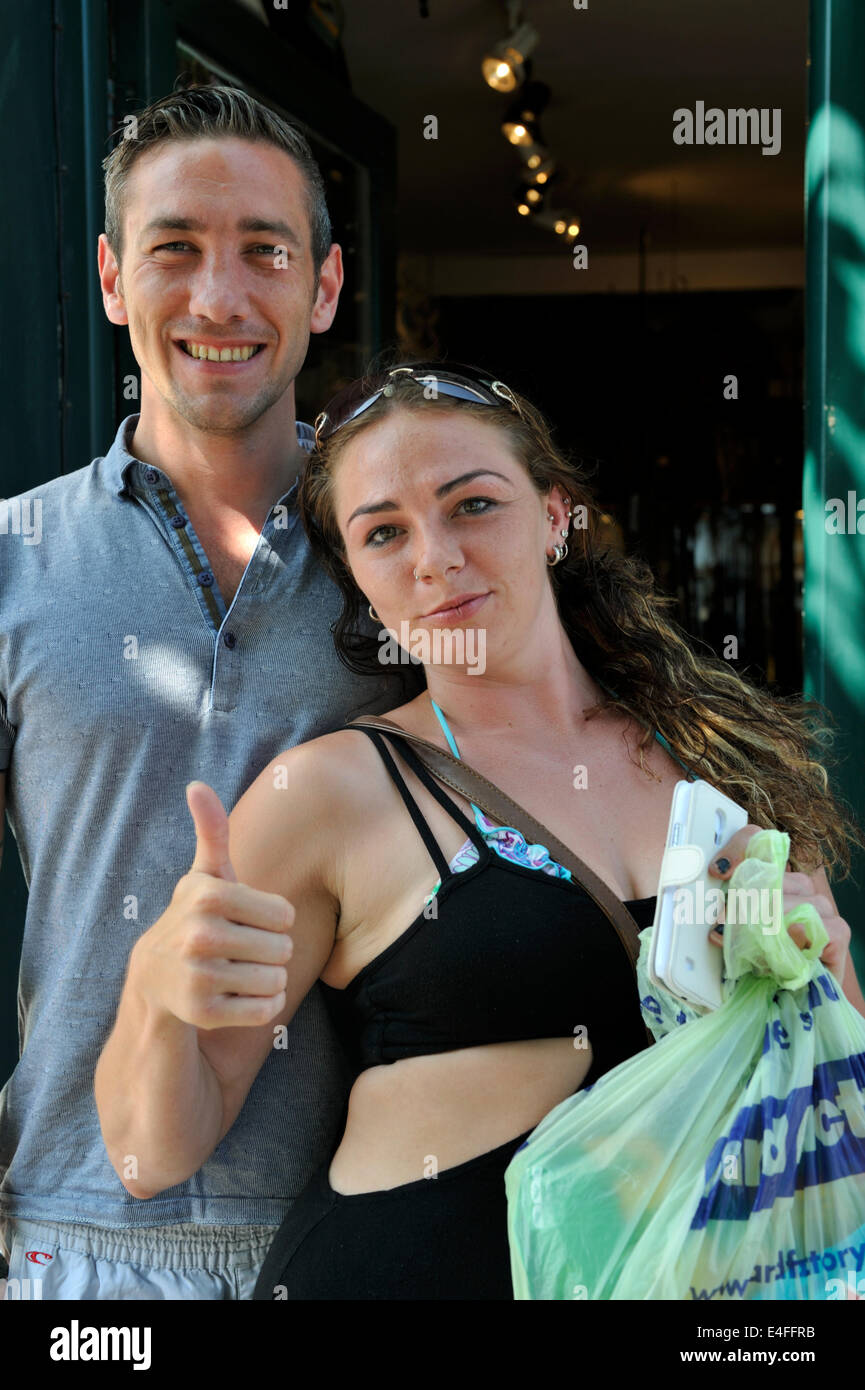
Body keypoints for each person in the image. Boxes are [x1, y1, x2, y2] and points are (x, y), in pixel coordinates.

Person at [94, 361, 865, 1300]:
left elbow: (838, 1102)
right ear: (359, 580)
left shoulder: (731, 766)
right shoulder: (331, 791)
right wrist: (156, 991)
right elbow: (150, 1156)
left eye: (472, 506)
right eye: (383, 533)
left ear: (553, 517)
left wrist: (821, 967)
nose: (434, 559)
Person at [0, 84, 422, 1301]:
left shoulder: (409, 555)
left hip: (362, 1232)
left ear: (326, 286)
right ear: (111, 279)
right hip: (78, 1249)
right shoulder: (14, 560)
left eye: (265, 253)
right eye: (174, 249)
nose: (220, 298)